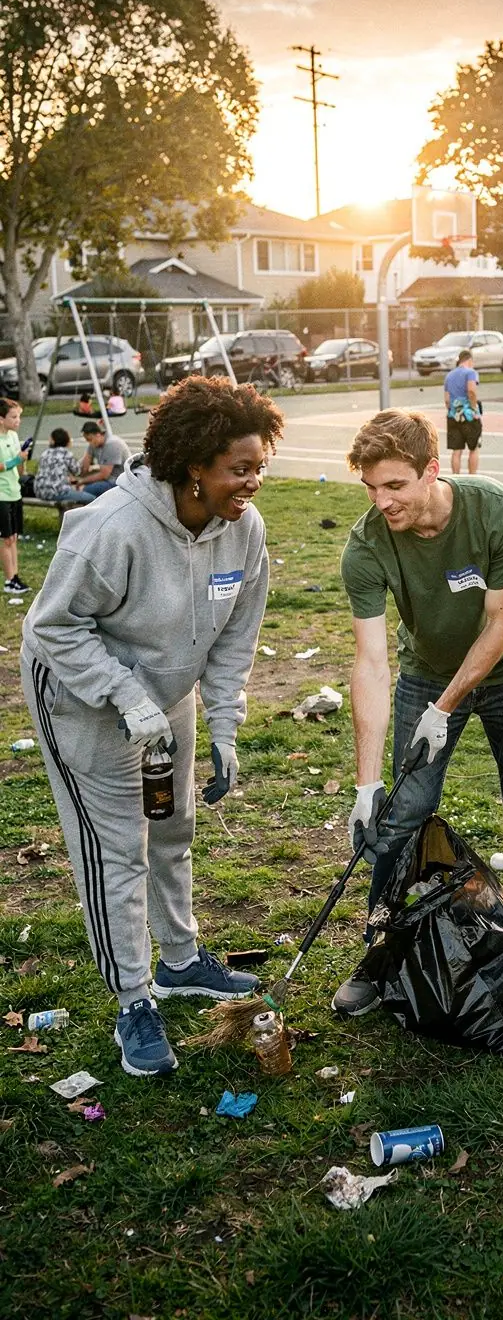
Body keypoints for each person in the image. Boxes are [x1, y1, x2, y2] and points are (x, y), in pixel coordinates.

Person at [21, 377, 284, 1077]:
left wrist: (224, 728)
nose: (254, 482)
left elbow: (233, 642)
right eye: (240, 469)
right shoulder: (113, 529)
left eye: (260, 466)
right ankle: (135, 999)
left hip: (165, 693)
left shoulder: (243, 530)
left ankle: (180, 960)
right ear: (195, 465)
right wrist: (121, 696)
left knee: (172, 825)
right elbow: (51, 626)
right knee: (119, 850)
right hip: (83, 695)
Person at [333, 409, 503, 1020]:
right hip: (426, 672)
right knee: (398, 817)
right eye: (371, 488)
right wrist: (366, 783)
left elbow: (501, 624)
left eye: (395, 485)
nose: (382, 502)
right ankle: (379, 956)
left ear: (432, 471)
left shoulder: (498, 510)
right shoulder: (367, 545)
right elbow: (372, 664)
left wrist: (445, 708)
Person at [0, 399, 29, 594]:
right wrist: (16, 460)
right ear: (1, 419)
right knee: (6, 539)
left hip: (14, 492)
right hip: (1, 495)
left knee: (14, 537)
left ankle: (16, 576)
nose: (18, 421)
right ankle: (9, 580)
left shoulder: (13, 435)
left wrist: (22, 459)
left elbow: (17, 467)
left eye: (19, 416)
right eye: (13, 417)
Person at [33, 428, 97, 506]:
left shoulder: (45, 453)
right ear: (67, 441)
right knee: (92, 499)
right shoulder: (66, 454)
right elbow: (77, 471)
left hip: (40, 491)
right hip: (56, 492)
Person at [444, 349, 482, 475]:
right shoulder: (470, 373)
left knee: (456, 450)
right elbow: (471, 391)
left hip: (453, 416)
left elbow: (447, 399)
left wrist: (452, 410)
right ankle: (472, 478)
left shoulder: (449, 376)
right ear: (469, 360)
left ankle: (456, 478)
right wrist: (473, 408)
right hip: (468, 416)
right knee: (474, 448)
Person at [79, 420, 131, 497]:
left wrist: (82, 481)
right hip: (110, 477)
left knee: (86, 490)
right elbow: (85, 467)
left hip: (120, 480)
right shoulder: (94, 443)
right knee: (85, 483)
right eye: (87, 440)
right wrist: (88, 454)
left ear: (98, 434)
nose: (89, 443)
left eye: (90, 439)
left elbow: (104, 475)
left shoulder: (112, 444)